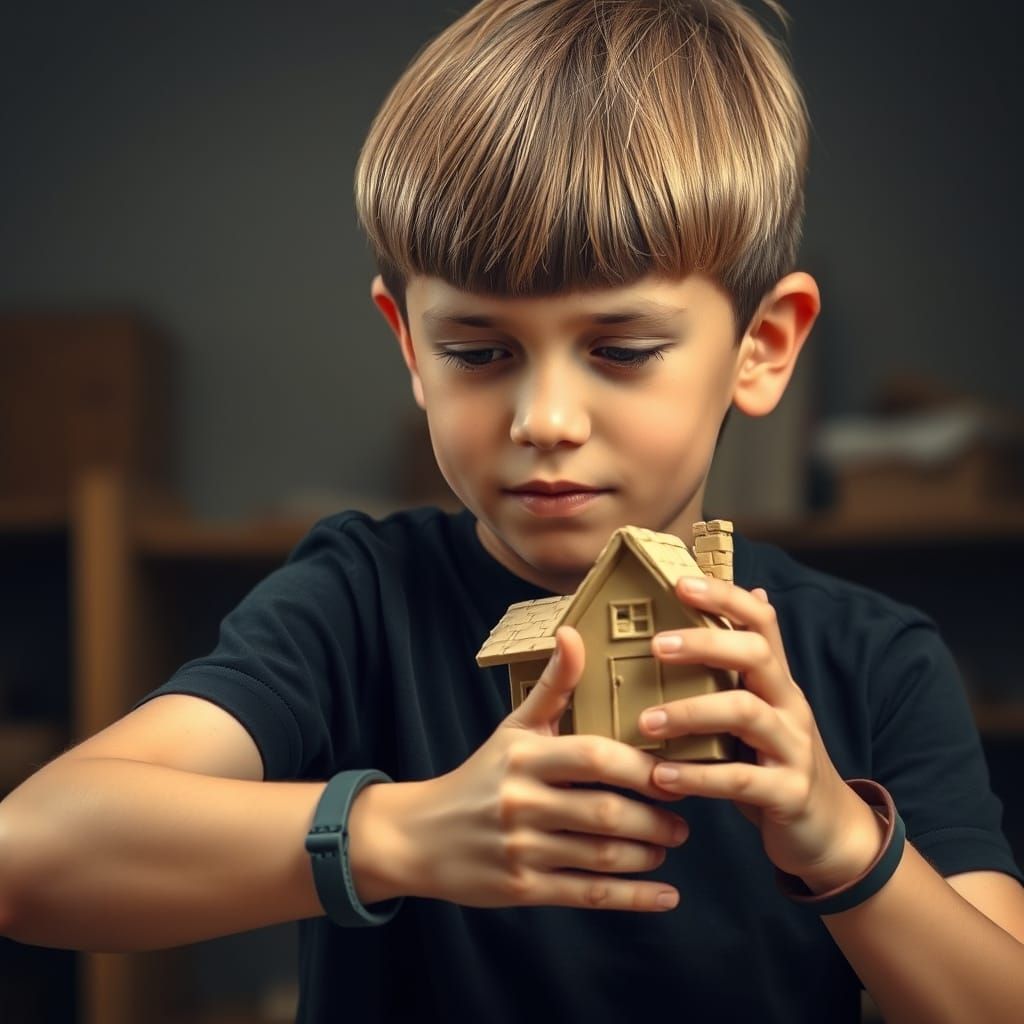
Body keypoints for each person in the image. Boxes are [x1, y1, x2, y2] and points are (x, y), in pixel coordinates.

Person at [2, 1, 1022, 1021]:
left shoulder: (874, 659)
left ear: (762, 345)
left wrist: (845, 844)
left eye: (621, 349)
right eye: (478, 351)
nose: (545, 418)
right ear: (408, 344)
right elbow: (29, 854)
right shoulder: (357, 601)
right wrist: (401, 833)